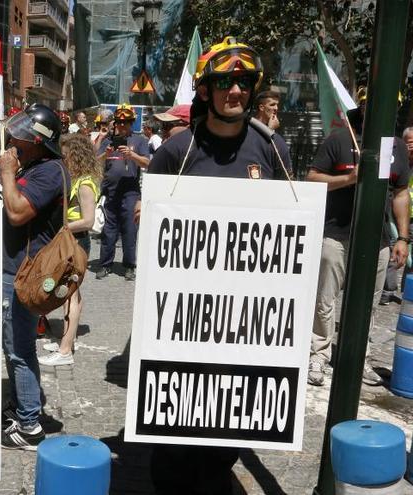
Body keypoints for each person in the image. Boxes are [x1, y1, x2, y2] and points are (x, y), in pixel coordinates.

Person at [145, 36, 292, 495]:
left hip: (242, 322)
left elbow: (290, 226)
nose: (235, 91)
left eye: (244, 82)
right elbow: (154, 227)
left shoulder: (273, 150)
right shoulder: (176, 151)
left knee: (225, 430)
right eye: (225, 82)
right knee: (172, 437)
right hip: (181, 320)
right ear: (206, 90)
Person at [306, 88, 409, 387]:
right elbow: (313, 180)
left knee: (369, 304)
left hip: (376, 241)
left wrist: (402, 237)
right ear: (362, 108)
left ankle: (358, 359)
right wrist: (350, 178)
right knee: (325, 300)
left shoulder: (396, 147)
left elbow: (400, 193)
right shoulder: (340, 138)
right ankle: (319, 354)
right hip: (336, 236)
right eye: (374, 104)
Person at [0, 103, 68, 450]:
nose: (13, 140)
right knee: (14, 344)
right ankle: (21, 407)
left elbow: (16, 212)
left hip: (24, 274)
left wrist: (8, 173)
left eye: (22, 136)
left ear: (39, 141)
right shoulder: (38, 166)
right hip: (17, 270)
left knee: (19, 349)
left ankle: (28, 425)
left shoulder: (48, 171)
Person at [38, 132, 100, 367]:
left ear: (76, 156)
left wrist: (63, 228)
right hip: (71, 240)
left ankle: (65, 351)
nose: (63, 160)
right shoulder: (78, 179)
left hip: (76, 242)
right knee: (70, 293)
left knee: (71, 294)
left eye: (66, 156)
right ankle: (67, 339)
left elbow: (88, 220)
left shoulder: (85, 184)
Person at [94, 104, 149, 281]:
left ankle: (129, 266)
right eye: (119, 122)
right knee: (108, 230)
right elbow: (96, 163)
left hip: (130, 192)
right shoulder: (108, 141)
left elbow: (147, 163)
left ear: (132, 123)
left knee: (129, 230)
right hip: (110, 192)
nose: (122, 125)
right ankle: (105, 264)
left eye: (126, 122)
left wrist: (132, 156)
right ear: (115, 123)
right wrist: (106, 154)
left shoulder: (139, 141)